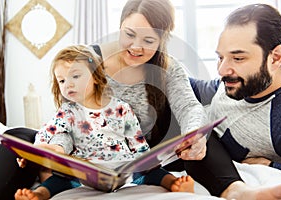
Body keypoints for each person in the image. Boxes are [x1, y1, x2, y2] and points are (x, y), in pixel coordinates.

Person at [14, 45, 195, 200]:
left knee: (153, 173)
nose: (67, 84)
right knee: (60, 179)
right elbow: (45, 135)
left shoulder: (121, 108)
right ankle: (39, 194)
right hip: (85, 173)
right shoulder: (67, 113)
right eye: (62, 80)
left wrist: (146, 162)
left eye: (75, 76)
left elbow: (138, 143)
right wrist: (31, 155)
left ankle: (174, 183)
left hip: (122, 168)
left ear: (95, 76)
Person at [185, 3, 281, 200]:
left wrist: (271, 166)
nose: (222, 70)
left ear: (275, 58)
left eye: (238, 58)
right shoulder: (227, 87)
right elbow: (187, 86)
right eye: (221, 57)